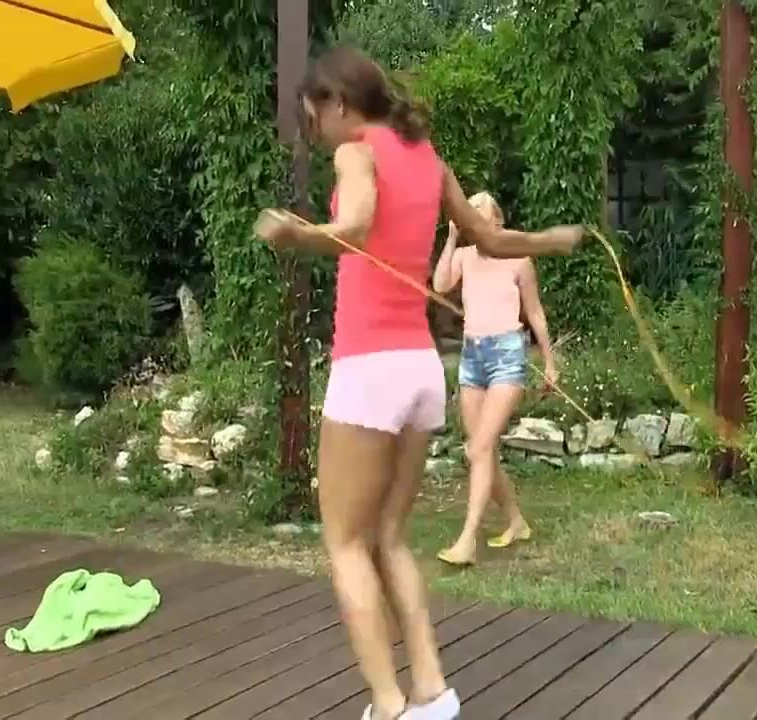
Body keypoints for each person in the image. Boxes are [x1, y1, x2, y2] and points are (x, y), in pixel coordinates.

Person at [252, 46, 584, 720]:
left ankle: (388, 705)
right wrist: (550, 240)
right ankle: (432, 694)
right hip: (421, 371)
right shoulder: (428, 157)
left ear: (337, 102)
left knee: (346, 545)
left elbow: (353, 227)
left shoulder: (357, 152)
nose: (315, 130)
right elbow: (490, 240)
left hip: (368, 369)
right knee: (390, 538)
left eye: (312, 115)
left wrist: (296, 233)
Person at [432, 192, 553, 567]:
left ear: (497, 221)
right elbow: (440, 285)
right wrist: (452, 238)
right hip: (472, 357)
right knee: (481, 450)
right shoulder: (465, 256)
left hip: (507, 356)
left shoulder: (518, 258)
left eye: (479, 213)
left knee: (479, 449)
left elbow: (535, 312)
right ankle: (516, 521)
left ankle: (467, 539)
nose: (472, 219)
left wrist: (550, 361)